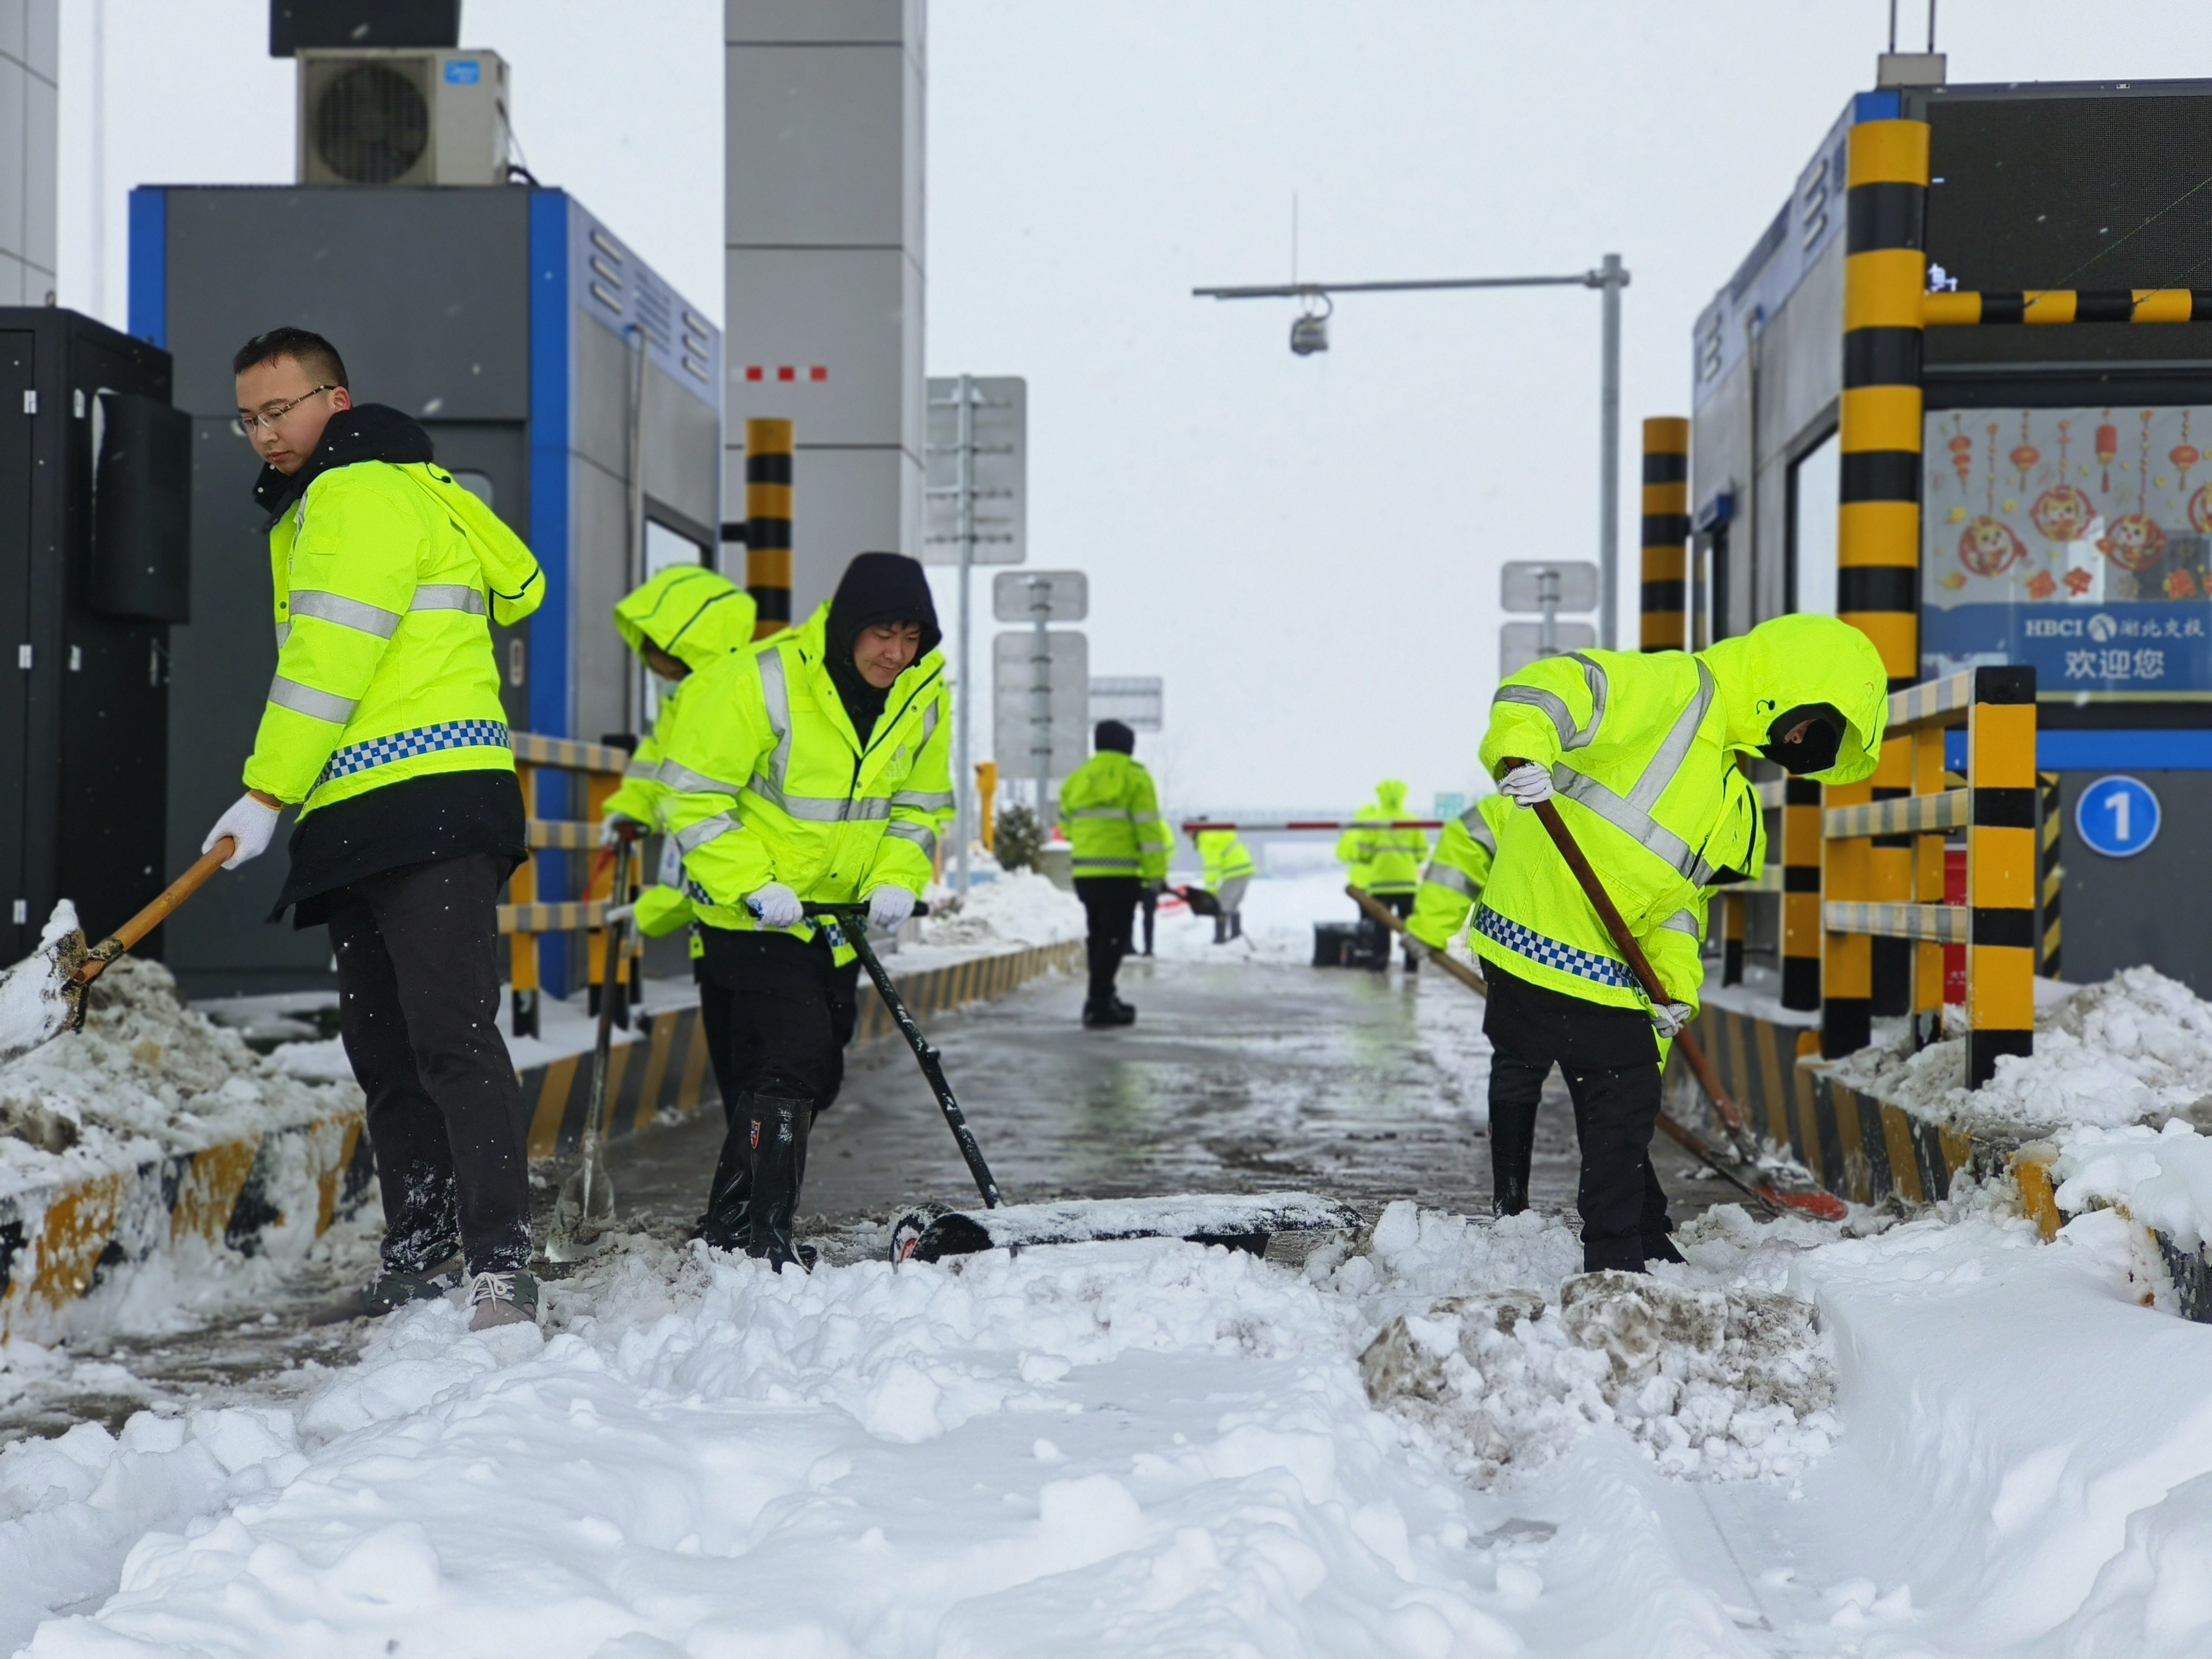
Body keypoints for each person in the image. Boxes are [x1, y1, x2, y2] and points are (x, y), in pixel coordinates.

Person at [201, 327, 546, 1330]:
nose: (266, 432)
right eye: (250, 417)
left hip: (423, 796)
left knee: (444, 1034)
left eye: (283, 408)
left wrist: (266, 792)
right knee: (389, 1046)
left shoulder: (357, 492)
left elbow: (330, 657)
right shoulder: (347, 494)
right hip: (373, 805)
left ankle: (498, 1263)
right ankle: (423, 1250)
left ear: (335, 401)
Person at [1471, 614, 1886, 1273]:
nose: (1802, 744)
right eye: (1811, 727)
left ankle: (1631, 1229)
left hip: (1597, 962)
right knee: (1616, 1089)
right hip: (1544, 928)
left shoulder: (1727, 786)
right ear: (1789, 686)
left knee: (1613, 1086)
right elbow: (1549, 688)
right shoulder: (1676, 687)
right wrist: (1525, 752)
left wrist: (1673, 997)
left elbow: (1680, 910)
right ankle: (1614, 1259)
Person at [656, 552, 952, 1269]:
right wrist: (754, 883)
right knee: (792, 1062)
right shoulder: (763, 680)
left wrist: (897, 878)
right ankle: (766, 1243)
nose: (897, 652)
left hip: (836, 923)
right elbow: (692, 794)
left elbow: (919, 808)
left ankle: (729, 1221)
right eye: (883, 633)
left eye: (912, 636)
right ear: (850, 626)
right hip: (754, 915)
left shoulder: (923, 696)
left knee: (809, 1074)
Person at [596, 563, 759, 1220]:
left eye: (659, 650)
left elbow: (721, 828)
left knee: (761, 1071)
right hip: (708, 916)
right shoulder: (682, 702)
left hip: (746, 909)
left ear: (693, 639)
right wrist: (628, 808)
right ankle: (743, 1205)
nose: (652, 664)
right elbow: (654, 774)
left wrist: (659, 907)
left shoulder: (733, 699)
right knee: (739, 1066)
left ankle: (745, 1207)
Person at [1403, 793, 1525, 1209]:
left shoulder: (1521, 798)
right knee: (1603, 1085)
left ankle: (1510, 1201)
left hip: (1516, 961)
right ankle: (1624, 1218)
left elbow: (1466, 843)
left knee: (1517, 1071)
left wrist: (1430, 925)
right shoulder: (1639, 799)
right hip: (1596, 973)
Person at [1058, 720, 1171, 1028]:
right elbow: (1149, 832)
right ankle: (1097, 1003)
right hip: (1121, 875)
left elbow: (1065, 823)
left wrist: (1088, 843)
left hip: (1086, 874)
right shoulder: (1136, 778)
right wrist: (1156, 877)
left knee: (1098, 935)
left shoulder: (1079, 779)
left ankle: (1105, 996)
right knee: (1115, 939)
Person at [1337, 780, 1429, 970]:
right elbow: (1422, 853)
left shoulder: (1374, 823)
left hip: (1381, 884)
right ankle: (1411, 965)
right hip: (1407, 884)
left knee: (1381, 926)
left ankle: (1381, 961)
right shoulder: (1413, 822)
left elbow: (1364, 853)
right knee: (1410, 926)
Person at [1196, 826, 1255, 943]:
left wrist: (1210, 891)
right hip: (1245, 869)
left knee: (1220, 906)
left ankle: (1220, 939)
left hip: (1235, 871)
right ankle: (1235, 935)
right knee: (1232, 905)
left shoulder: (1207, 841)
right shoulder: (1214, 836)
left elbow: (1212, 868)